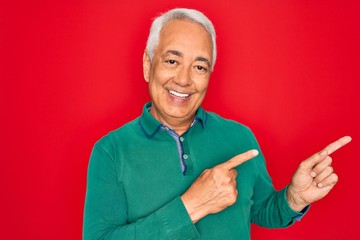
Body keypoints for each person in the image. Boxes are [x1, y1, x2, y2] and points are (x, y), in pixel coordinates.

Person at [83, 8, 351, 240]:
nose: (184, 80)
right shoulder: (111, 151)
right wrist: (192, 205)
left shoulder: (240, 138)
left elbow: (261, 210)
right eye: (172, 61)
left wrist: (294, 198)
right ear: (147, 65)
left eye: (199, 67)